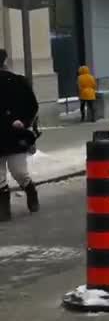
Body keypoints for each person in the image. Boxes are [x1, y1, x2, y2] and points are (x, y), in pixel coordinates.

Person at [0, 49, 40, 221]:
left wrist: (23, 121)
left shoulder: (18, 82)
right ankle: (3, 210)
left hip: (14, 135)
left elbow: (31, 105)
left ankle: (30, 191)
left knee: (19, 172)